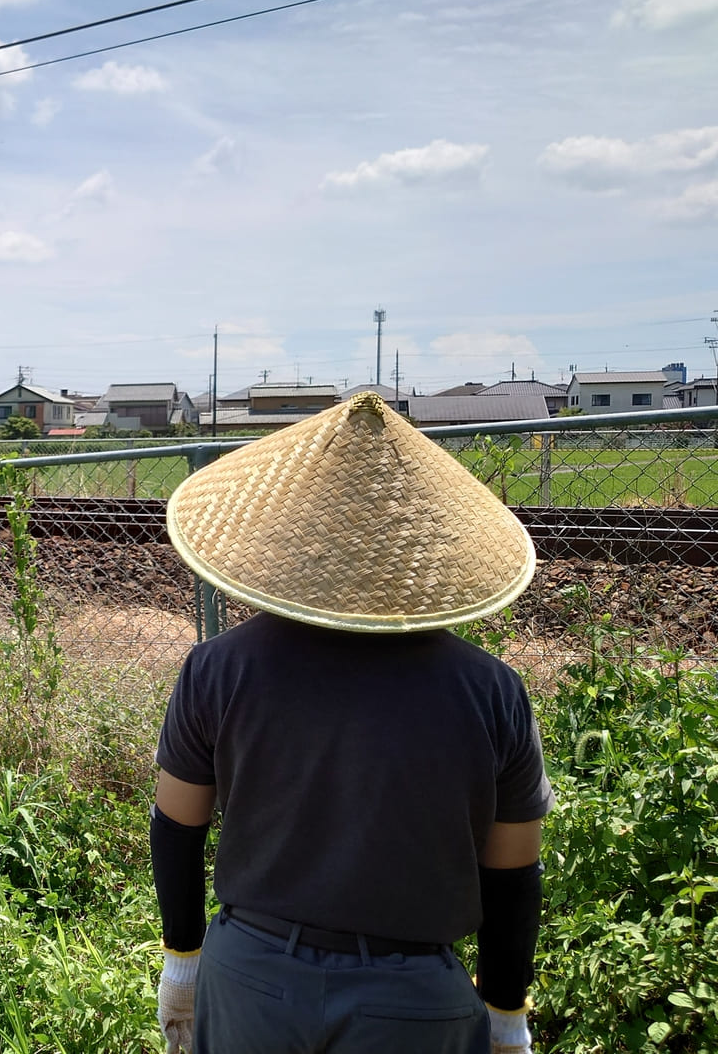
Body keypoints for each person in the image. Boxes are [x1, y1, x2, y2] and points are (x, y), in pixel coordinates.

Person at [149, 392, 551, 1054]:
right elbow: (513, 875)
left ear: (284, 536)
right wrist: (506, 1010)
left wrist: (183, 962)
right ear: (431, 550)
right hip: (415, 1000)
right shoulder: (493, 693)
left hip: (251, 978)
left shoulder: (218, 669)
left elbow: (178, 827)